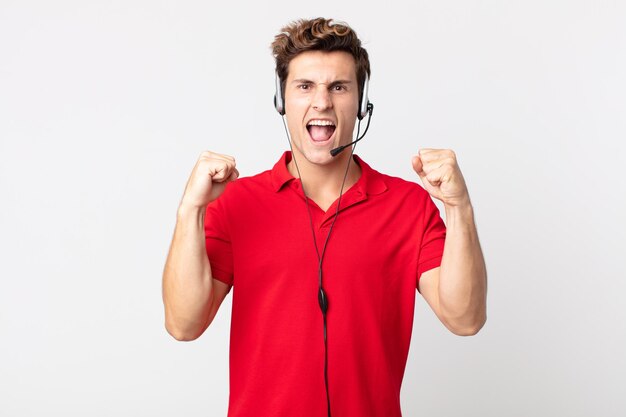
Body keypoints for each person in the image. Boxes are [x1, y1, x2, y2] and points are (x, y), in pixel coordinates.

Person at [162, 17, 487, 417]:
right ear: (281, 100)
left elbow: (465, 318)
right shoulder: (236, 202)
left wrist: (459, 208)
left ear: (361, 100)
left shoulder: (409, 206)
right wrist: (190, 210)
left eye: (338, 86)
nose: (322, 102)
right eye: (305, 87)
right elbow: (183, 324)